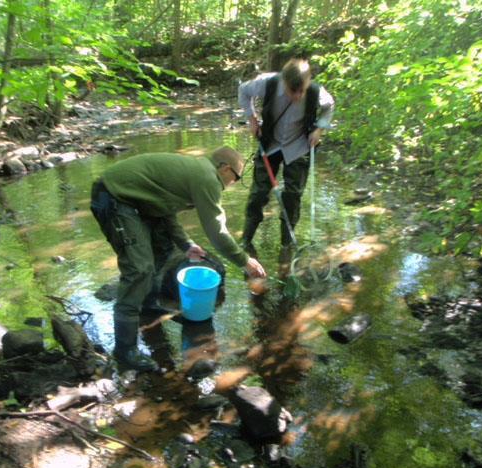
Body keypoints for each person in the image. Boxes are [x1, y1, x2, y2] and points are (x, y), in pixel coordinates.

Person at [90, 147, 266, 372]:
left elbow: (164, 210)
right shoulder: (207, 177)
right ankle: (125, 351)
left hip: (134, 202)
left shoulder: (196, 171)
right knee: (139, 269)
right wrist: (245, 261)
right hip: (114, 197)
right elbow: (216, 231)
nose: (234, 182)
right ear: (224, 168)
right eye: (236, 177)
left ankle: (148, 306)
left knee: (162, 250)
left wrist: (186, 245)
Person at [238, 58, 335, 252]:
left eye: (302, 91)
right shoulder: (267, 83)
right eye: (293, 91)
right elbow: (243, 91)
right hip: (270, 144)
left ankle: (286, 245)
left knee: (293, 195)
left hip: (299, 145)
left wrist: (319, 130)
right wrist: (252, 119)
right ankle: (246, 241)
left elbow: (329, 106)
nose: (298, 96)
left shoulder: (316, 92)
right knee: (258, 194)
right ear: (284, 82)